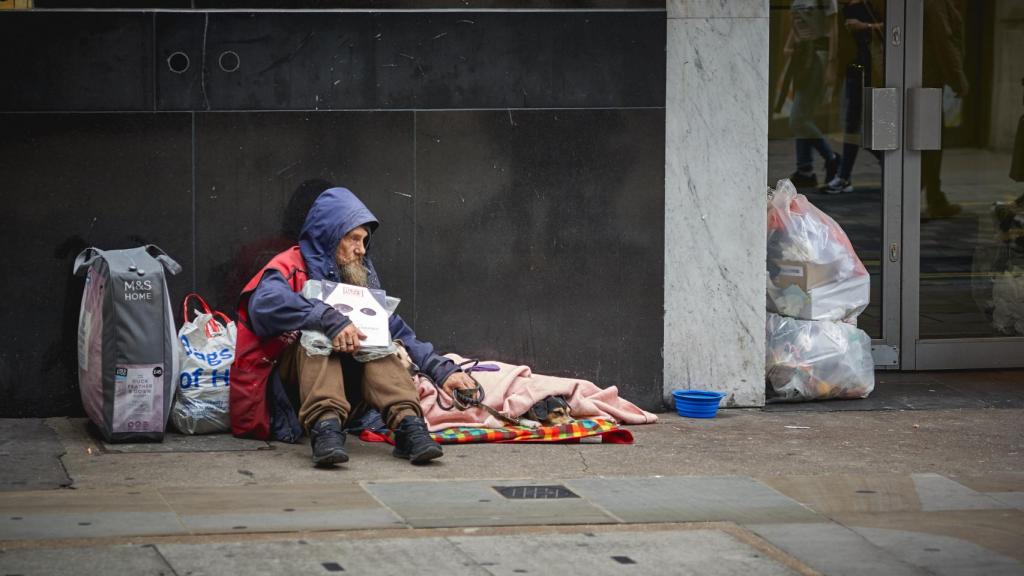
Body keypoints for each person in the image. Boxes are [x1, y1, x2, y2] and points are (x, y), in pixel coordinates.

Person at [228, 186, 476, 466]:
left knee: (376, 337)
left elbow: (393, 326)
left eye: (364, 240)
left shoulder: (355, 275)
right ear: (330, 237)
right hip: (289, 394)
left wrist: (442, 371)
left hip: (348, 395)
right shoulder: (289, 264)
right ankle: (325, 429)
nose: (361, 249)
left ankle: (409, 426)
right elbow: (265, 305)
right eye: (353, 239)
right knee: (319, 335)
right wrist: (328, 319)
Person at [824, 0, 884, 194]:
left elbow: (897, 29)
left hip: (875, 71)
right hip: (854, 70)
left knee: (873, 128)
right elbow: (838, 43)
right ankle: (843, 176)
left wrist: (864, 26)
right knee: (852, 124)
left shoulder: (872, 5)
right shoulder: (844, 9)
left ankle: (891, 167)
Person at [783, 0, 842, 190]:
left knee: (798, 119)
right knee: (803, 115)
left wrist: (832, 63)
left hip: (818, 54)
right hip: (801, 54)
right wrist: (790, 44)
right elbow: (798, 22)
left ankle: (832, 158)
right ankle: (805, 171)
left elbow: (833, 28)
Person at [920, 0, 969, 219]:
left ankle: (933, 196)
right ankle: (930, 199)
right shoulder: (936, 3)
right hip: (926, 82)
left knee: (926, 146)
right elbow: (944, 41)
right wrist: (957, 79)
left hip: (919, 79)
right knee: (929, 145)